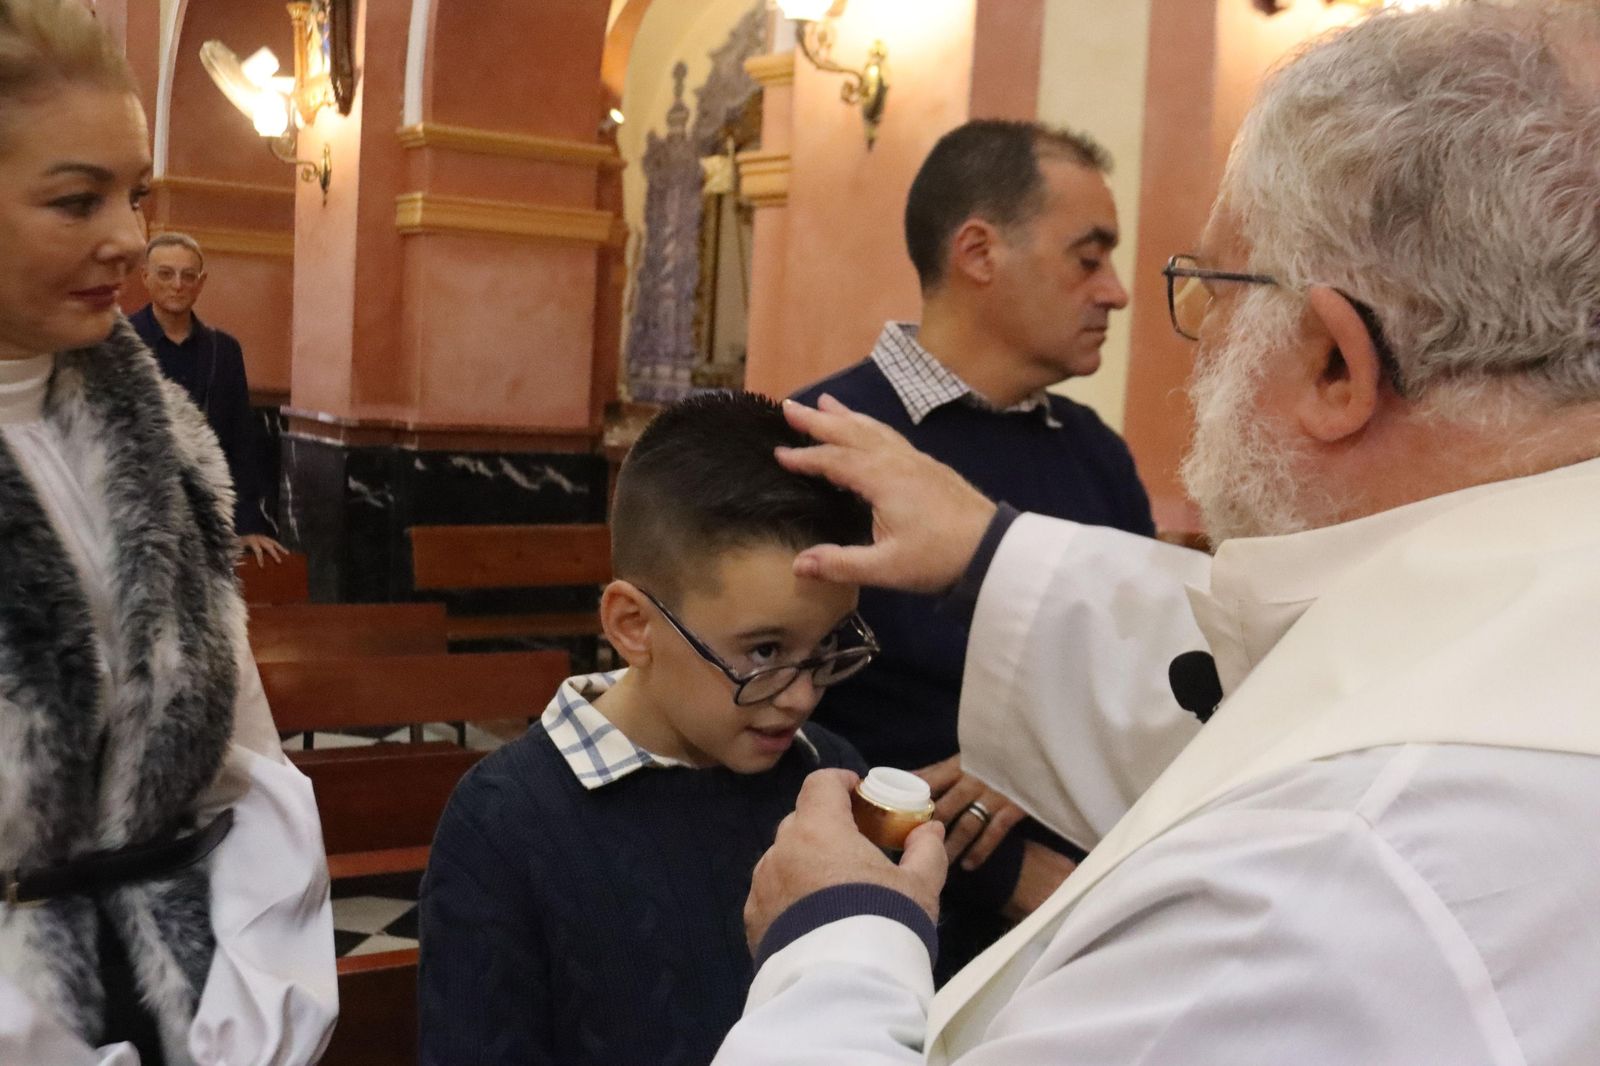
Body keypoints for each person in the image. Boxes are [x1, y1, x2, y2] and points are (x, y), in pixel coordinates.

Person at [715, 2, 1600, 1062]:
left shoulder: (1320, 874)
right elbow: (1282, 676)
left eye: (1216, 288)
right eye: (1095, 256)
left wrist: (835, 937)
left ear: (1334, 364)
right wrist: (993, 553)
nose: (1146, 306)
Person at [0, 1, 335, 1063]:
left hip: (185, 1007)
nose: (134, 240)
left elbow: (244, 757)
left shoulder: (163, 436)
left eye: (135, 192)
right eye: (76, 198)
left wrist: (249, 1021)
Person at [791, 120, 1172, 979]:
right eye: (1088, 257)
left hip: (1104, 909)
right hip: (886, 929)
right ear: (978, 251)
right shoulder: (825, 443)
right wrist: (993, 864)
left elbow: (1146, 673)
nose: (1114, 292)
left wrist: (1027, 753)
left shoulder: (1096, 453)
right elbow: (774, 714)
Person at [417, 391, 877, 1066]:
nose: (802, 695)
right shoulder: (505, 826)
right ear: (634, 625)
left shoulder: (829, 779)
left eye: (829, 644)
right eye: (765, 653)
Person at [129, 232, 287, 566]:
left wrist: (249, 523)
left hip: (206, 521)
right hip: (135, 519)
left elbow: (241, 439)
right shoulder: (119, 345)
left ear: (201, 283)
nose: (177, 285)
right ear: (145, 277)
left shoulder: (224, 351)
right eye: (166, 273)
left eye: (188, 276)